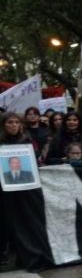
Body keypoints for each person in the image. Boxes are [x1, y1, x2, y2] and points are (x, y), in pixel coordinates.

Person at [0, 113, 38, 266]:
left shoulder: (27, 141)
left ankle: (22, 253)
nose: (13, 125)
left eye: (17, 122)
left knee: (23, 220)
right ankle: (3, 252)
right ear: (4, 125)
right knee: (4, 221)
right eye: (10, 122)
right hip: (3, 190)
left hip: (23, 189)